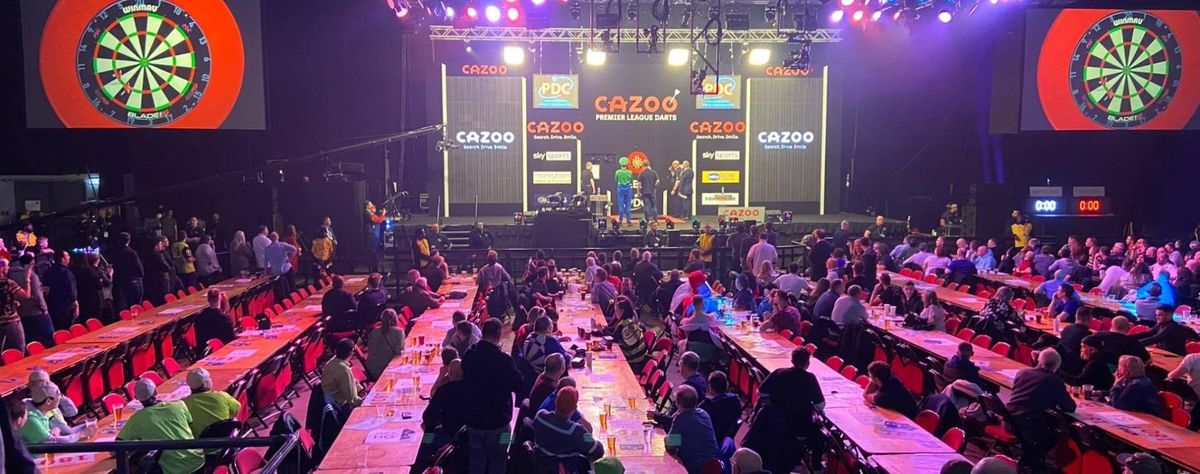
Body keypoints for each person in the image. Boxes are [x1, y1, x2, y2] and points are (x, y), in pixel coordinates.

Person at [463, 319, 523, 474]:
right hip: (498, 421)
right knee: (498, 463)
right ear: (498, 334)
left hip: (473, 420)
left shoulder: (469, 355)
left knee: (476, 463)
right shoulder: (503, 360)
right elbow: (518, 384)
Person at [1005, 348, 1075, 473]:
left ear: (1039, 360)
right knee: (1054, 435)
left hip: (1008, 420)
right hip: (1028, 426)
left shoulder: (1022, 372)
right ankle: (1027, 463)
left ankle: (1029, 462)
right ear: (1056, 367)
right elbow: (1070, 407)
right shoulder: (1054, 381)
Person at [117, 379, 204, 474]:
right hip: (198, 461)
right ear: (155, 392)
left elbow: (116, 448)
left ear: (136, 398)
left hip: (175, 470)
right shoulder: (179, 405)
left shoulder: (136, 419)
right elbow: (190, 425)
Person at [532, 386, 604, 471]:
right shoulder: (577, 432)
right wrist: (589, 436)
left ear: (555, 402)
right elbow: (598, 451)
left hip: (539, 468)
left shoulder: (540, 416)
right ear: (575, 408)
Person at [665, 385, 719, 474]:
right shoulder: (704, 413)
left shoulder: (681, 419)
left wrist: (666, 438)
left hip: (694, 468)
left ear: (677, 403)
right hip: (712, 465)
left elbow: (670, 447)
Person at [19, 382, 92, 443]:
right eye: (58, 395)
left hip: (46, 451)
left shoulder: (42, 409)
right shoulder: (31, 418)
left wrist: (53, 431)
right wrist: (81, 434)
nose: (60, 398)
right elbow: (51, 442)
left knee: (85, 427)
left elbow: (47, 437)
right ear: (48, 401)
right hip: (36, 455)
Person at [181, 368, 241, 436]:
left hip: (204, 441)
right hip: (228, 437)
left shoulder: (184, 404)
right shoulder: (221, 396)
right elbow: (237, 408)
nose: (211, 380)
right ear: (205, 384)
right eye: (209, 378)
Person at [10, 255, 51, 348]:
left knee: (31, 342)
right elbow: (37, 294)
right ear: (31, 264)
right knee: (48, 340)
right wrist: (44, 308)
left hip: (22, 313)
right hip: (36, 312)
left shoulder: (11, 276)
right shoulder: (32, 275)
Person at [604, 296, 649, 371]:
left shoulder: (626, 325)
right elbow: (611, 329)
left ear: (622, 311)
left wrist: (602, 330)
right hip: (637, 357)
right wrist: (601, 329)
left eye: (616, 310)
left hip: (634, 362)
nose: (615, 312)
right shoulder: (628, 319)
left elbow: (613, 338)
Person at [39, 250, 78, 333]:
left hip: (52, 306)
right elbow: (71, 290)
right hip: (66, 307)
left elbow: (45, 289)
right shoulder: (66, 273)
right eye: (67, 256)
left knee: (57, 331)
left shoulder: (48, 272)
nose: (69, 257)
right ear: (62, 259)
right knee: (67, 330)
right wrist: (75, 303)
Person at [0, 259, 33, 352]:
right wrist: (27, 279)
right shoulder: (8, 283)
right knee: (19, 348)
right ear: (1, 268)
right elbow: (26, 295)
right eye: (7, 266)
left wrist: (11, 301)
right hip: (11, 320)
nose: (8, 268)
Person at [321, 339, 362, 413]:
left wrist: (360, 388)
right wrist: (365, 402)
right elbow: (352, 400)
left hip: (328, 402)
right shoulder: (344, 369)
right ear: (351, 353)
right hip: (339, 407)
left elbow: (351, 381)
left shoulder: (332, 362)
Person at [698, 371, 742, 441]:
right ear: (727, 385)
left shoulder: (707, 406)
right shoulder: (736, 401)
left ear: (710, 387)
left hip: (709, 440)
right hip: (725, 440)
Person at [365, 309, 407, 381]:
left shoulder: (374, 331)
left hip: (371, 369)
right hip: (386, 368)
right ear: (396, 319)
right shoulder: (398, 332)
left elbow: (369, 348)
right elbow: (399, 352)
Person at [109, 232, 144, 311]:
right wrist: (141, 275)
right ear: (129, 240)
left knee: (126, 304)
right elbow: (138, 266)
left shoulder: (115, 252)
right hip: (133, 280)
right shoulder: (131, 252)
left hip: (121, 281)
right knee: (136, 304)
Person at [614, 157, 634, 225]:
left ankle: (620, 220)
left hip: (620, 188)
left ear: (620, 164)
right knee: (628, 205)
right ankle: (628, 220)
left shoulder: (617, 172)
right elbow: (631, 180)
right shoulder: (629, 172)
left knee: (621, 205)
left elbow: (616, 180)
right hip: (628, 188)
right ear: (627, 164)